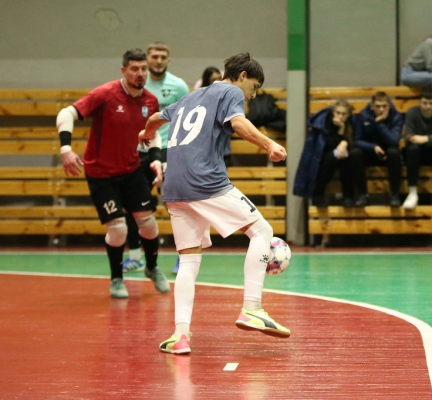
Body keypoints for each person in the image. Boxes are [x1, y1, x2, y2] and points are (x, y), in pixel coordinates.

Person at [138, 53, 289, 354]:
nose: (253, 95)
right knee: (262, 231)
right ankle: (252, 308)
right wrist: (269, 143)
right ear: (242, 76)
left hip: (175, 187)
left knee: (188, 260)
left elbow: (155, 118)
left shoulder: (190, 97)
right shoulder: (231, 91)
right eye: (255, 86)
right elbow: (238, 123)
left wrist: (146, 133)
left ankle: (180, 336)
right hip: (205, 181)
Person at [56, 49, 170, 298]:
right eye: (134, 69)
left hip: (131, 170)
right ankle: (117, 279)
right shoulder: (105, 94)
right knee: (118, 230)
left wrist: (156, 159)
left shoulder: (150, 101)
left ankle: (152, 268)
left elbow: (153, 133)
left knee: (148, 224)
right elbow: (66, 113)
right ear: (124, 70)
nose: (140, 74)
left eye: (143, 69)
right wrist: (66, 149)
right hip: (101, 174)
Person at [122, 42, 189, 276]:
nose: (158, 61)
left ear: (168, 60)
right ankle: (134, 257)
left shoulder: (179, 86)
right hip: (138, 151)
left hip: (168, 151)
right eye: (154, 56)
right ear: (147, 60)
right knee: (133, 205)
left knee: (176, 206)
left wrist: (181, 150)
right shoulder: (137, 83)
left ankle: (184, 259)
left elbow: (187, 118)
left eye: (163, 57)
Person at [295, 100, 365, 207]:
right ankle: (318, 194)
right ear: (333, 112)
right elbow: (326, 145)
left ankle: (349, 196)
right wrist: (341, 134)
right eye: (338, 113)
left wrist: (344, 139)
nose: (340, 116)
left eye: (343, 114)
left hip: (345, 155)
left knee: (352, 156)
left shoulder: (353, 121)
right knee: (332, 157)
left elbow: (357, 141)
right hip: (325, 156)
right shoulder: (325, 122)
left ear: (348, 115)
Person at [355, 91, 403, 206]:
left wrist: (380, 124)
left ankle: (394, 195)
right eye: (378, 106)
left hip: (387, 153)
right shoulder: (363, 115)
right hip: (369, 152)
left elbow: (394, 141)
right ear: (372, 106)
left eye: (384, 106)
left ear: (389, 106)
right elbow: (357, 140)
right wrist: (373, 147)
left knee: (394, 153)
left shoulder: (396, 116)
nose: (381, 109)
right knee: (355, 153)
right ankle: (362, 195)